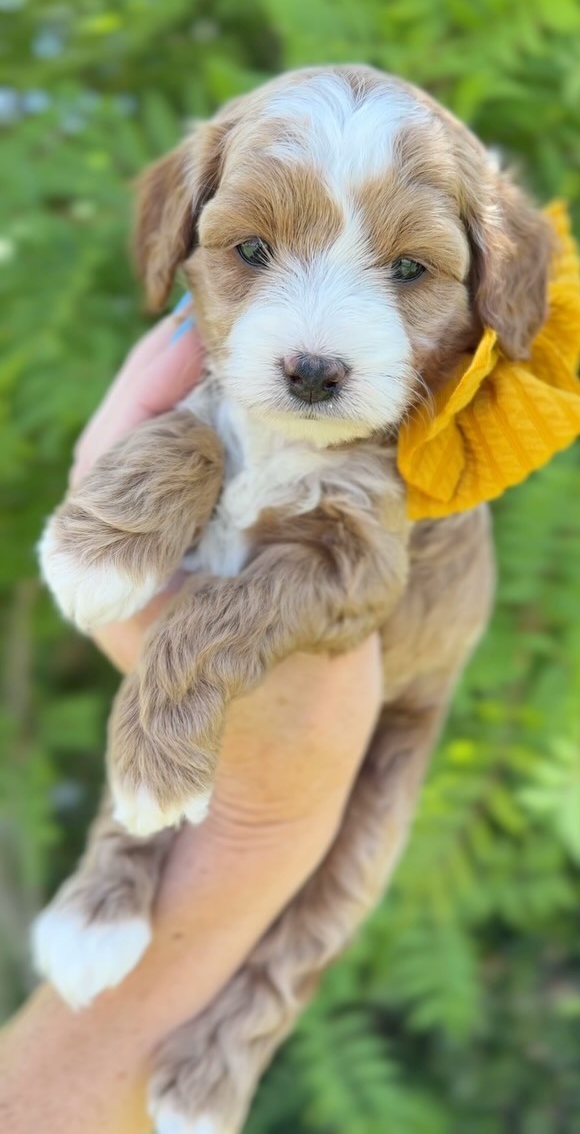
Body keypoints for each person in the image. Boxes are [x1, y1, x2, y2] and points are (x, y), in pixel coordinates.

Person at [0, 300, 382, 1134]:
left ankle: (247, 1026)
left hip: (389, 696)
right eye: (252, 254)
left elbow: (357, 571)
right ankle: (116, 872)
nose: (316, 339)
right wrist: (266, 825)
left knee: (361, 847)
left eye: (403, 273)